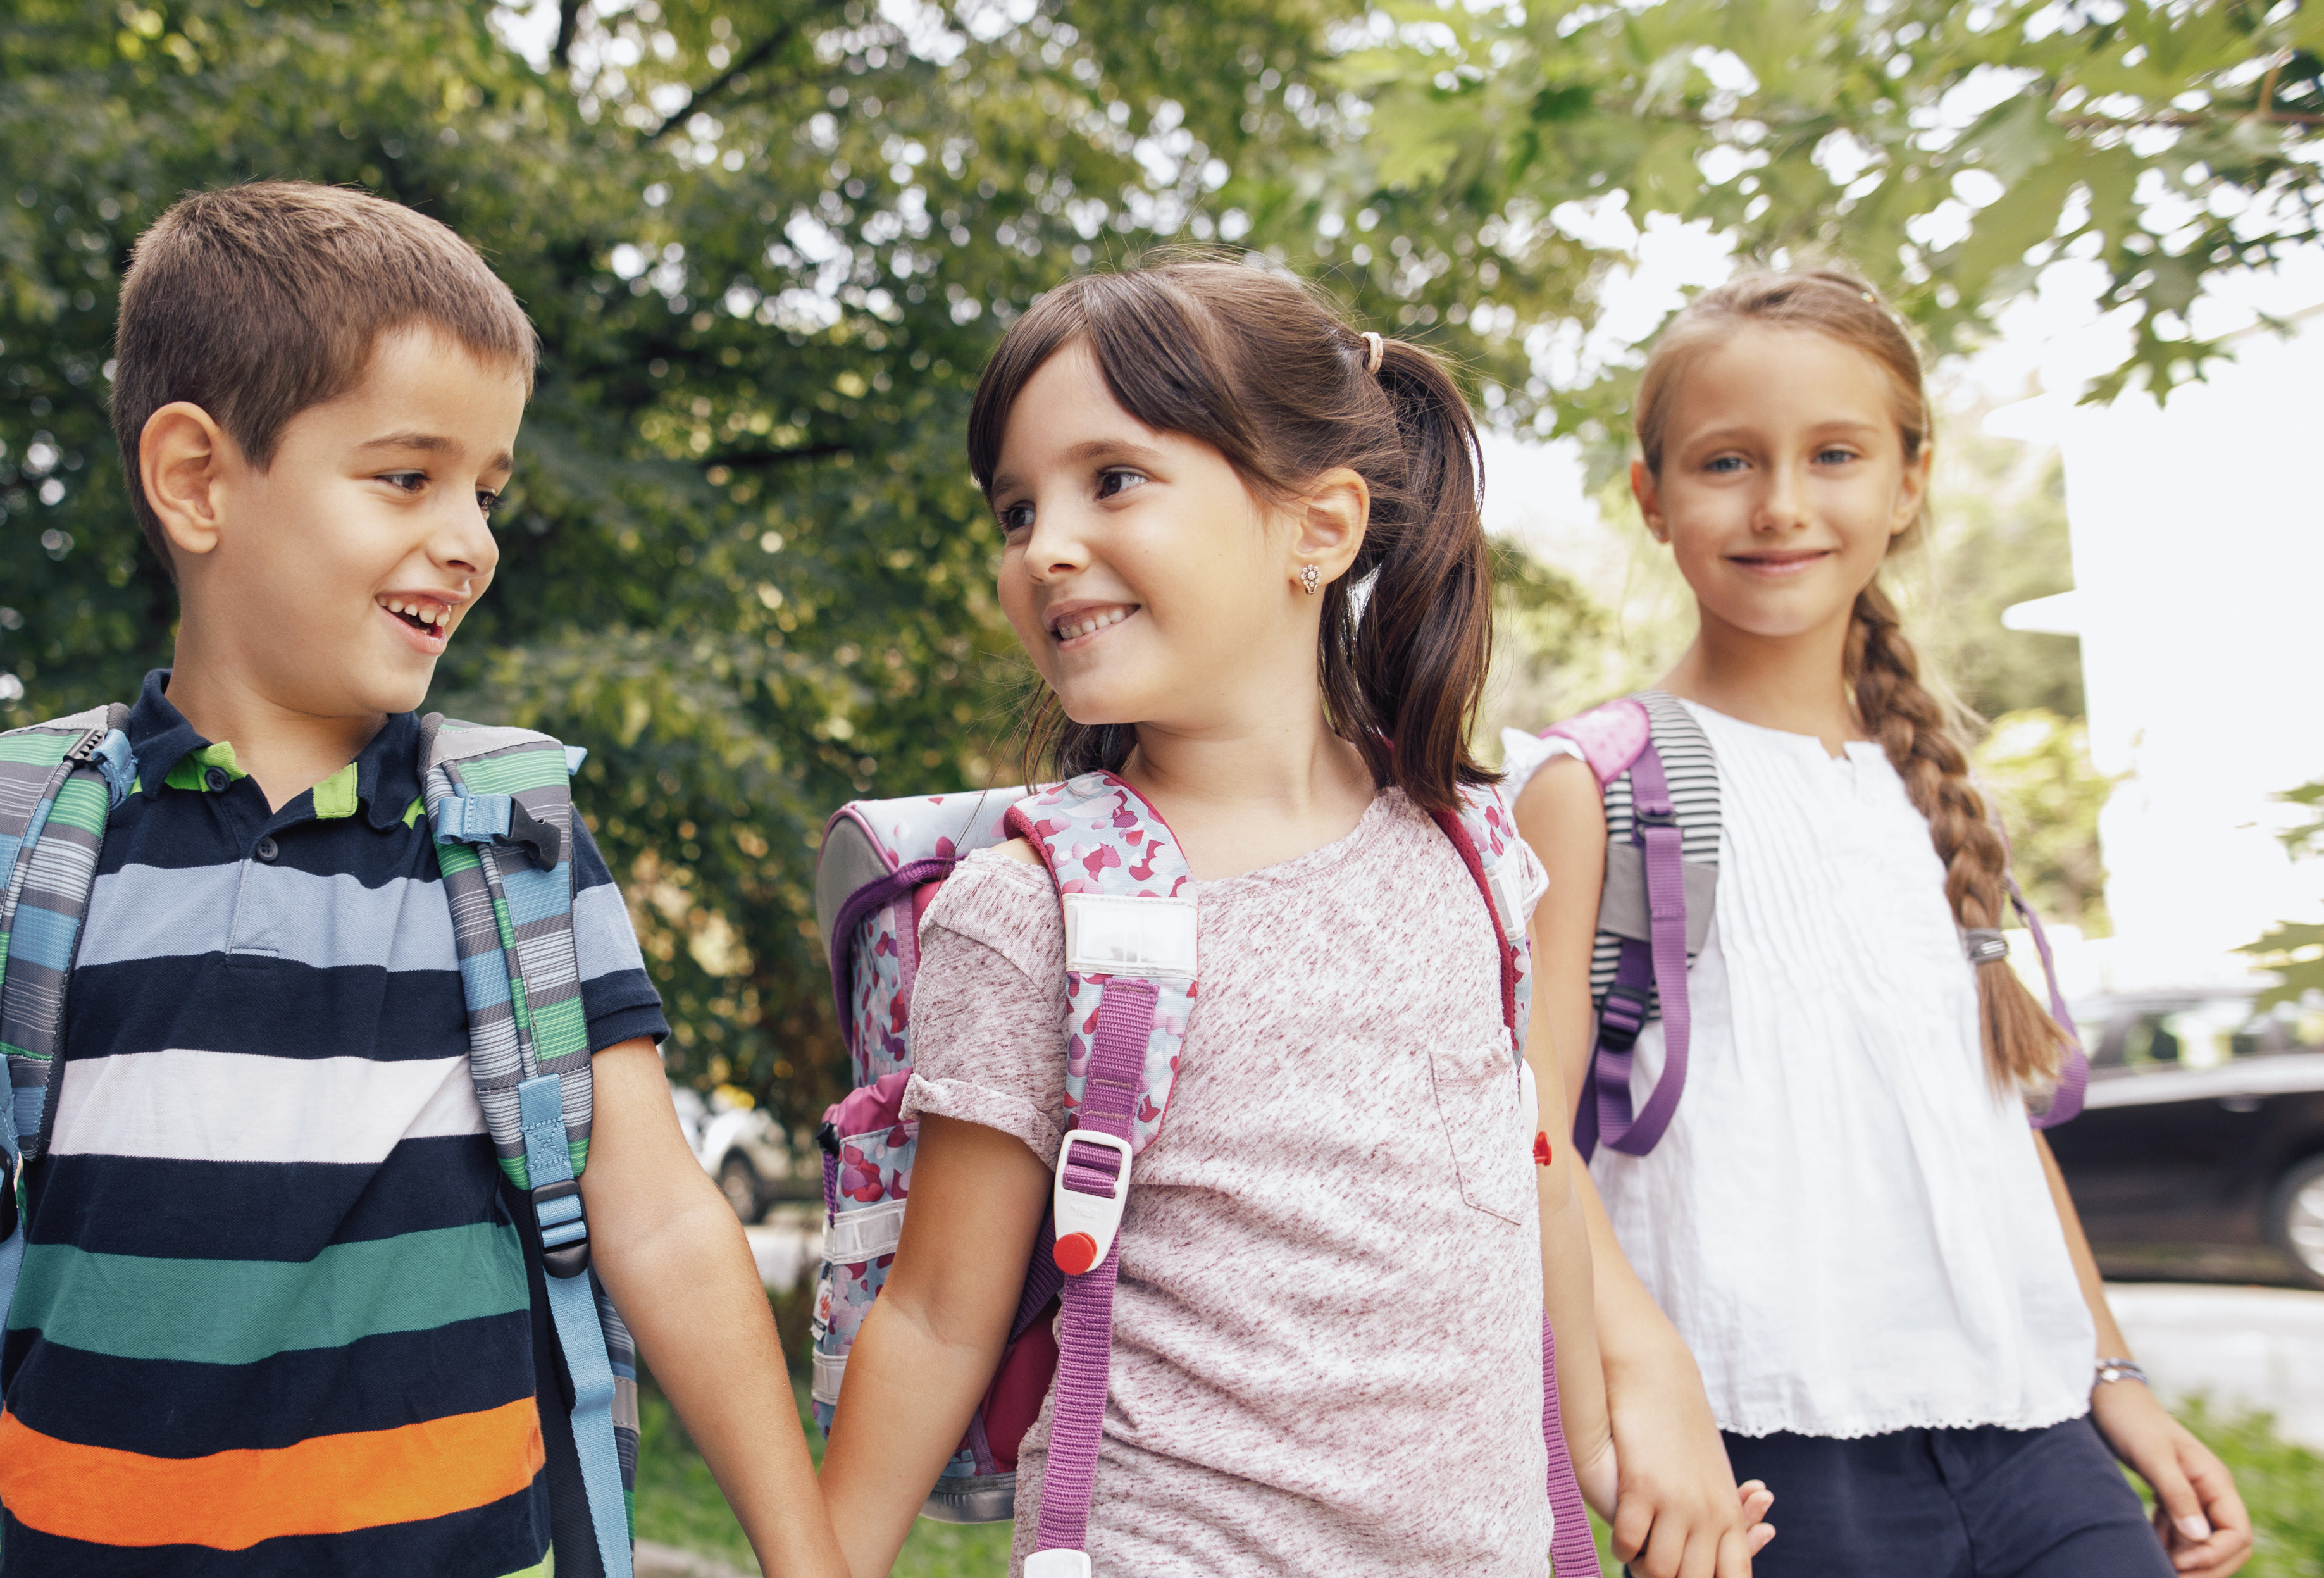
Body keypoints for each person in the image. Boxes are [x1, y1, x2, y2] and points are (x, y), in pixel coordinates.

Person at [0, 182, 843, 1578]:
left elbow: (663, 1224)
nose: (470, 537)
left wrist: (805, 1556)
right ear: (199, 480)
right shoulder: (18, 836)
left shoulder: (510, 841)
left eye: (487, 488)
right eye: (408, 476)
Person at [812, 258, 1765, 1576]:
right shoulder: (1033, 909)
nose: (1046, 545)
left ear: (1317, 529)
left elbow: (1528, 1166)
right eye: (1016, 508)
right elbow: (931, 1317)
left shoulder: (1474, 852)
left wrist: (1609, 1441)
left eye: (1113, 478)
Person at [1508, 267, 2255, 1578]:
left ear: (1907, 484)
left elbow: (1988, 1126)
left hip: (2034, 1433)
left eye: (1835, 454)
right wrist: (1629, 1405)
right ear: (1651, 498)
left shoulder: (1935, 789)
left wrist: (2113, 1371)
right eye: (1727, 460)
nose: (1782, 503)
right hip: (1764, 1443)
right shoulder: (1594, 783)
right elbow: (1524, 1135)